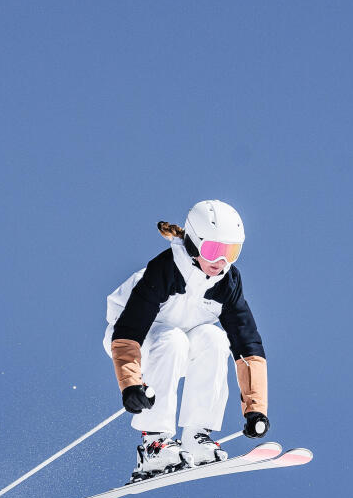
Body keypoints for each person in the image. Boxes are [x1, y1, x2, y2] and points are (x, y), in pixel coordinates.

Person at [104, 199, 269, 481]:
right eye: (214, 250)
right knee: (173, 340)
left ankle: (197, 435)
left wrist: (255, 409)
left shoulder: (227, 282)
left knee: (216, 339)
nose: (222, 262)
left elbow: (247, 344)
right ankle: (155, 444)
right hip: (133, 341)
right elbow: (129, 331)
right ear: (194, 244)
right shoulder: (164, 270)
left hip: (181, 349)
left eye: (232, 252)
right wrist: (130, 383)